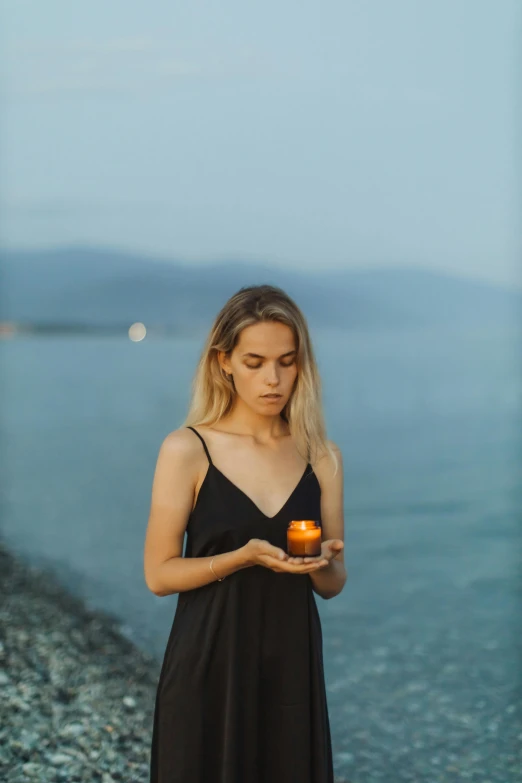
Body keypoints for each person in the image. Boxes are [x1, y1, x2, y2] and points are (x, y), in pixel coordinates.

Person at [144, 283, 346, 783]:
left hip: (290, 670)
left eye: (287, 361)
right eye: (255, 362)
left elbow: (333, 584)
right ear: (223, 362)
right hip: (209, 664)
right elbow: (159, 574)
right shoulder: (187, 449)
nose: (273, 379)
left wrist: (324, 562)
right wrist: (242, 557)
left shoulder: (322, 456)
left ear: (303, 365)